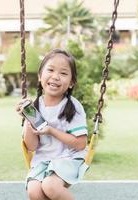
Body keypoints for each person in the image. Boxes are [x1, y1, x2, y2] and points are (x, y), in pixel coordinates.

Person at [16, 49, 89, 200]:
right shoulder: (34, 107)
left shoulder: (72, 107)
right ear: (40, 75)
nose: (55, 77)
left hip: (69, 158)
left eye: (63, 73)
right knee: (34, 191)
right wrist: (28, 119)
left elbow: (81, 144)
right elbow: (32, 147)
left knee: (50, 186)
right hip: (43, 160)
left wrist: (51, 131)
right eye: (50, 70)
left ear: (71, 82)